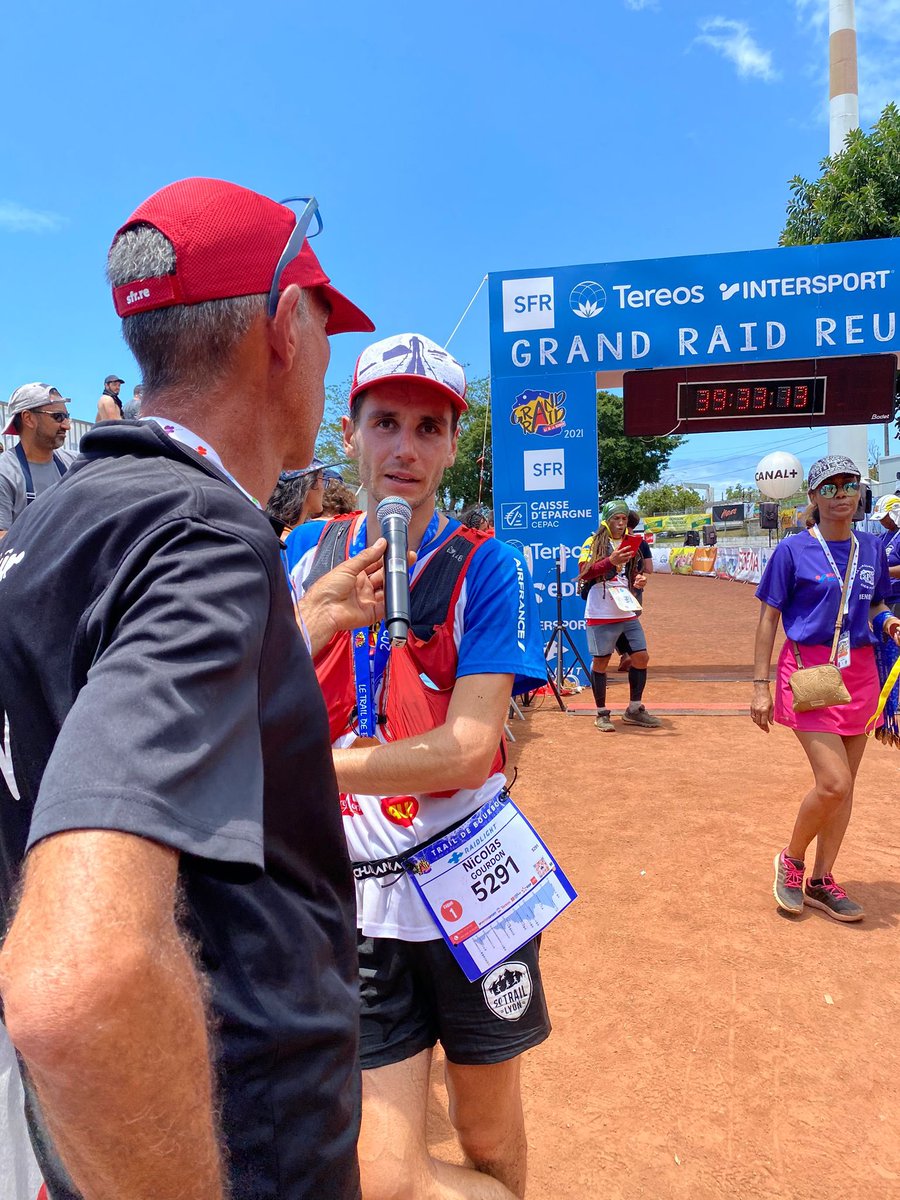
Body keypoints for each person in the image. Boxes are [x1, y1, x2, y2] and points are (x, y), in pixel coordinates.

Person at [0, 177, 379, 1200]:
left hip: (99, 1141)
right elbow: (76, 985)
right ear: (286, 330)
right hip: (225, 1141)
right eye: (327, 325)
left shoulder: (60, 520)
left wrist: (301, 630)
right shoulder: (203, 537)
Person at [285, 331, 550, 1200]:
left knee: (484, 1127)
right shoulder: (303, 552)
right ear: (351, 433)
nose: (405, 447)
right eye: (386, 422)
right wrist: (319, 620)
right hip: (356, 894)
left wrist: (314, 771)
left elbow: (471, 747)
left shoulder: (487, 564)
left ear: (451, 446)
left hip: (476, 877)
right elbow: (238, 693)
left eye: (429, 428)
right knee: (383, 1176)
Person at [752, 455, 900, 922]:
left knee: (846, 786)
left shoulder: (873, 547)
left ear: (860, 493)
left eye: (849, 485)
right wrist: (759, 686)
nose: (841, 494)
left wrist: (889, 621)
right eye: (830, 487)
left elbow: (873, 602)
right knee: (833, 782)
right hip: (809, 672)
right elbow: (769, 618)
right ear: (813, 497)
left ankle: (822, 880)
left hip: (860, 672)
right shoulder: (792, 550)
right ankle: (792, 861)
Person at [577, 500, 661, 732]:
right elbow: (584, 572)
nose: (621, 522)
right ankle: (602, 713)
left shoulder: (632, 542)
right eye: (616, 518)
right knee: (601, 662)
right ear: (607, 519)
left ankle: (634, 709)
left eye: (624, 518)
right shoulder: (593, 542)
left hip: (626, 608)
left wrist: (639, 580)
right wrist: (609, 562)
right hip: (601, 609)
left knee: (641, 657)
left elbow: (636, 571)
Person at [0, 384, 75, 538]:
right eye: (58, 416)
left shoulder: (74, 464)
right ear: (28, 418)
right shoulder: (5, 473)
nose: (66, 426)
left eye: (67, 417)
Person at [616, 509, 653, 671]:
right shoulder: (641, 542)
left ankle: (625, 653)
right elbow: (650, 568)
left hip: (615, 589)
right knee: (630, 622)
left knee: (613, 622)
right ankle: (631, 653)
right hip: (635, 589)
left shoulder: (614, 542)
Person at [267, 458, 327, 531]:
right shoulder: (287, 539)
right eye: (322, 479)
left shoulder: (269, 528)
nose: (324, 489)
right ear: (308, 484)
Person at [872, 494, 900, 615]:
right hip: (883, 599)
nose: (881, 521)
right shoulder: (882, 538)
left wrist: (883, 571)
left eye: (884, 517)